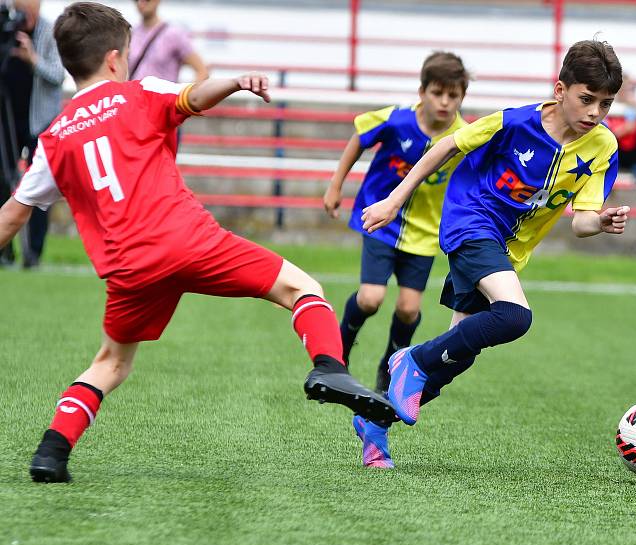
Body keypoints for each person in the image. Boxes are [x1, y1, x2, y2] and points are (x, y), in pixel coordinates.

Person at [0, 1, 393, 484]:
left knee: (111, 362)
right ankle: (329, 366)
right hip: (189, 241)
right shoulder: (137, 94)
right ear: (113, 59)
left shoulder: (55, 137)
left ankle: (51, 452)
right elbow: (194, 97)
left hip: (129, 267)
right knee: (300, 289)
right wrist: (234, 81)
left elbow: (12, 217)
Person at [359, 40, 631, 468]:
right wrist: (395, 199)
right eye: (587, 99)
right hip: (471, 223)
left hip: (507, 250)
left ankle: (374, 420)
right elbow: (446, 146)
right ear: (560, 89)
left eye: (606, 104)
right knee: (515, 315)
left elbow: (581, 221)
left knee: (459, 356)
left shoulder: (603, 148)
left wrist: (603, 221)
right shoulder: (514, 122)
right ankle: (409, 358)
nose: (595, 112)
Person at [323, 51, 469, 468]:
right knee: (370, 298)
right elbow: (358, 138)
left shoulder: (462, 134)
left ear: (461, 98)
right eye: (437, 93)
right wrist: (336, 185)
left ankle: (390, 372)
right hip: (380, 223)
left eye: (453, 95)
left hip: (423, 237)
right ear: (421, 92)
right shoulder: (398, 119)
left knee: (409, 308)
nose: (444, 102)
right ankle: (340, 347)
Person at [0, 0, 64, 268]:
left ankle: (33, 253)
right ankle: (6, 252)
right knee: (3, 182)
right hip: (8, 120)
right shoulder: (6, 29)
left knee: (39, 188)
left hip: (41, 122)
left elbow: (59, 75)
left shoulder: (49, 32)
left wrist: (32, 59)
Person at [605, 75, 636, 243]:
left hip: (634, 158)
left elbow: (630, 127)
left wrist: (616, 132)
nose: (627, 92)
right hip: (617, 155)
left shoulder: (632, 107)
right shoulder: (608, 105)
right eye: (625, 88)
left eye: (629, 88)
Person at [129, 0, 207, 83]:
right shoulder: (132, 34)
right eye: (136, 0)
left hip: (162, 94)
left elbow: (202, 71)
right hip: (134, 94)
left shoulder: (174, 34)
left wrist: (185, 94)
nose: (140, 2)